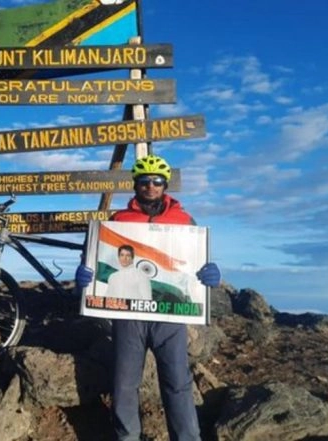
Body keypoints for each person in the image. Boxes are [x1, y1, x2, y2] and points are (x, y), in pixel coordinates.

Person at [75, 154, 221, 441]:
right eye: (144, 181)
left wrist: (210, 274)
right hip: (129, 316)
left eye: (157, 181)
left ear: (165, 185)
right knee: (124, 384)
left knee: (178, 382)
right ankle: (127, 437)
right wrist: (85, 275)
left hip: (169, 315)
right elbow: (95, 258)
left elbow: (194, 261)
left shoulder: (184, 219)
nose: (151, 186)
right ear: (136, 185)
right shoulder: (119, 220)